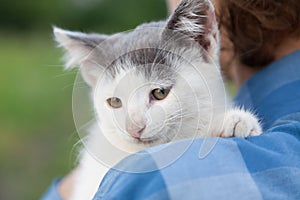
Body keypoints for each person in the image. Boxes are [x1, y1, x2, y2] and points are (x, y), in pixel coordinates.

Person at [42, 0, 300, 199]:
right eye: (115, 103)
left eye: (159, 93)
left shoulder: (150, 181)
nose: (135, 127)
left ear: (203, 39)